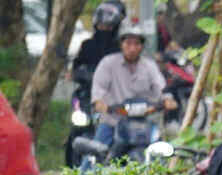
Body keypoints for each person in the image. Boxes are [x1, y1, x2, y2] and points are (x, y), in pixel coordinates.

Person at [91, 23, 175, 152]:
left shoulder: (150, 66)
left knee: (163, 155)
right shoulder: (108, 63)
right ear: (121, 44)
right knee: (94, 157)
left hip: (144, 123)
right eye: (128, 43)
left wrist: (168, 99)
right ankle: (86, 171)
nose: (132, 48)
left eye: (137, 44)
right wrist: (100, 103)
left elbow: (160, 86)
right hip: (113, 121)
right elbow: (98, 91)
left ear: (142, 46)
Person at [71, 0, 126, 82]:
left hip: (114, 90)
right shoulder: (87, 45)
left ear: (115, 27)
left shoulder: (122, 48)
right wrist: (81, 73)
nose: (104, 29)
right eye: (101, 26)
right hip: (88, 90)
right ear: (96, 26)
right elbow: (77, 68)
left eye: (108, 27)